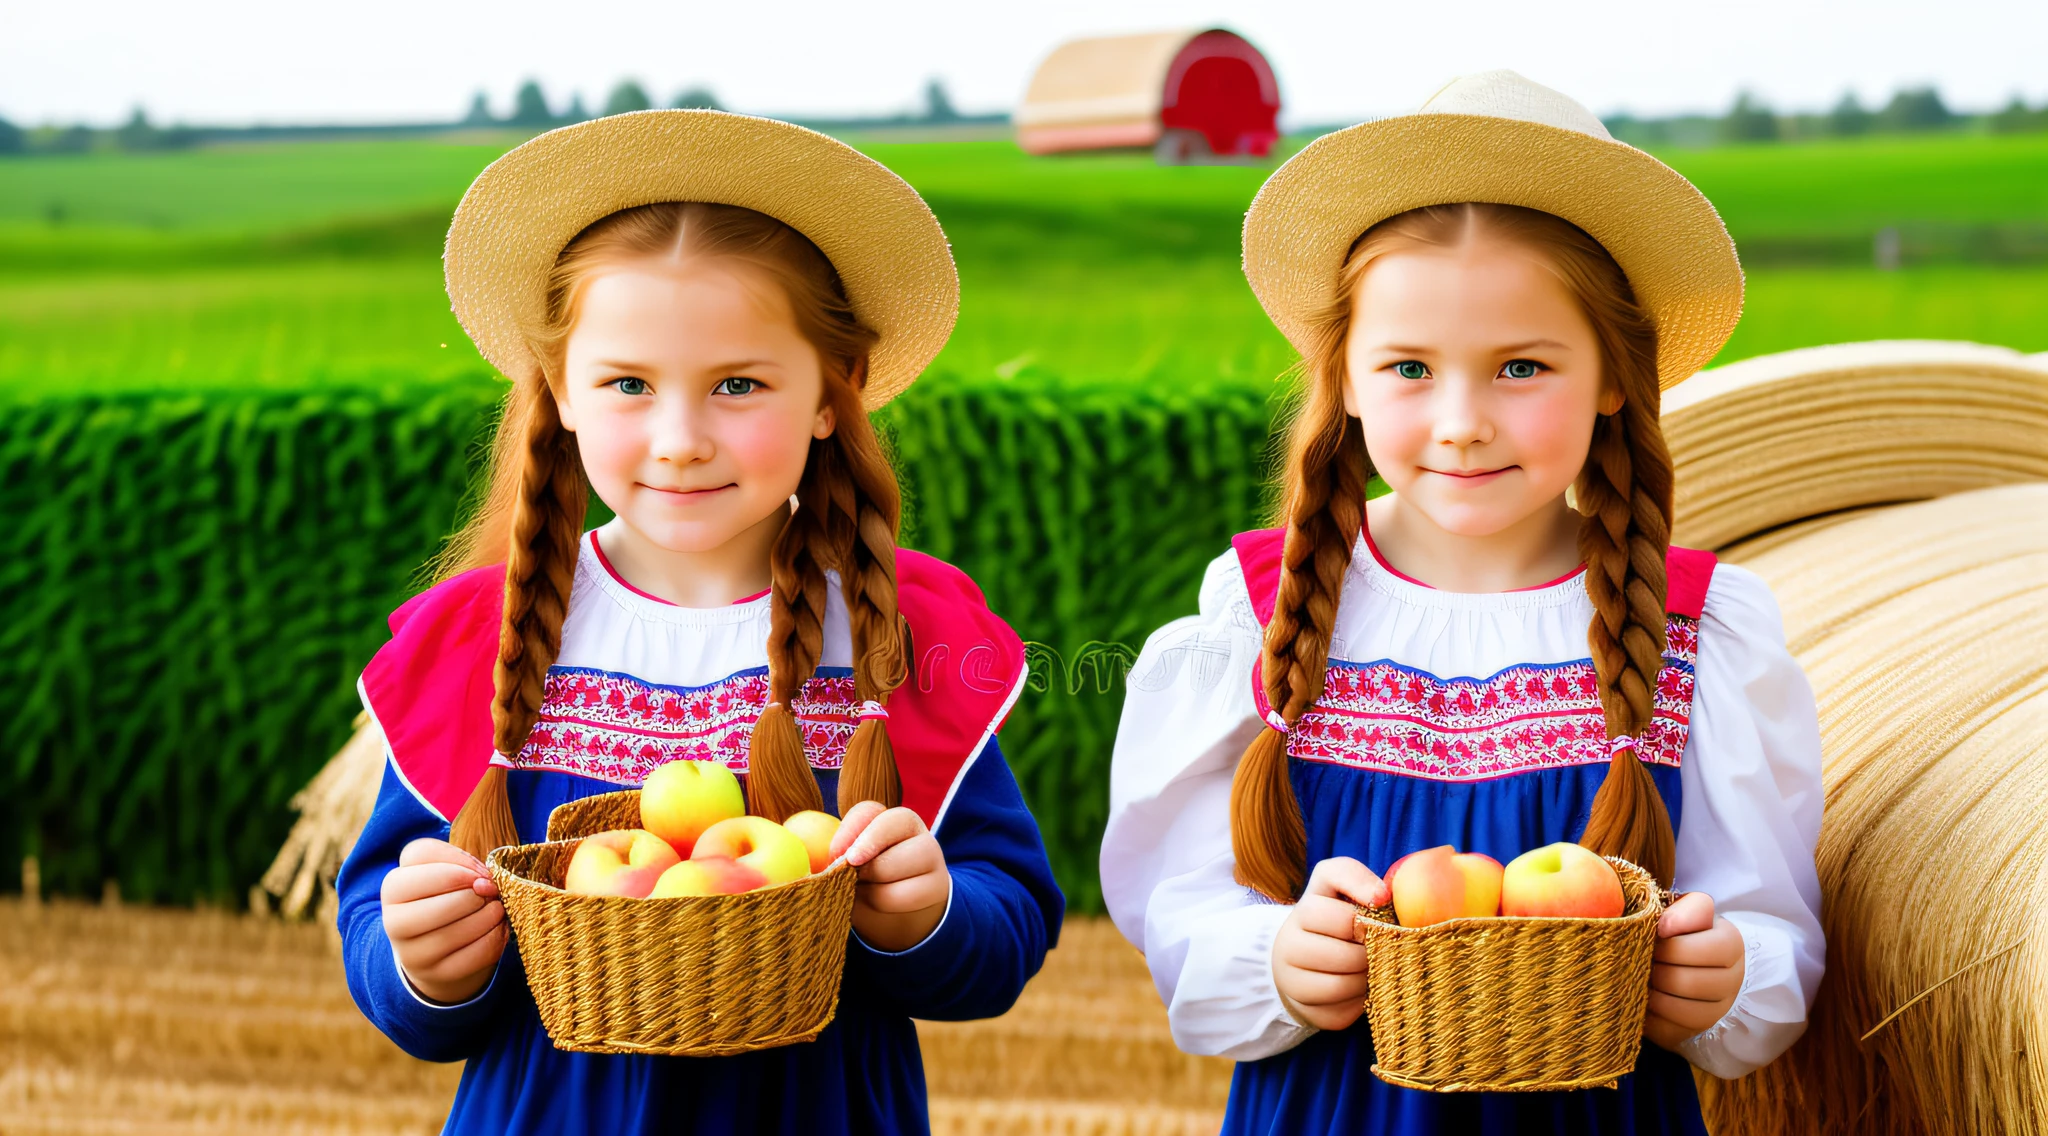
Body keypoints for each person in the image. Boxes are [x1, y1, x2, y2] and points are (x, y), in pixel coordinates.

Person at [1101, 71, 1824, 1134]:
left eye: (1519, 366)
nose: (1459, 421)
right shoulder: (1257, 612)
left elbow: (1767, 924)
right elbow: (1179, 907)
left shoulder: (1696, 633)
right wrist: (1274, 959)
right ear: (1341, 376)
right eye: (1407, 367)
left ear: (1613, 377)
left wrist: (1725, 975)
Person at [333, 110, 1062, 1134]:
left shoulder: (888, 634)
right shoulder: (484, 640)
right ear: (562, 393)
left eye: (736, 384)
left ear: (830, 391)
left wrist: (928, 913)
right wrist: (417, 957)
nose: (678, 440)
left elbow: (1010, 918)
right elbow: (383, 915)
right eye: (627, 384)